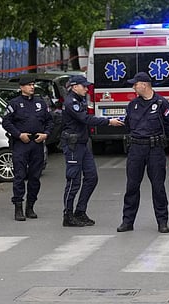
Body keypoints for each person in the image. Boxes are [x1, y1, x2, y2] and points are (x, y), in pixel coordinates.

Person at [117, 72, 169, 233]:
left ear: (144, 85)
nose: (133, 87)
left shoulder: (161, 103)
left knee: (158, 187)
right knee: (132, 186)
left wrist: (160, 138)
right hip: (136, 149)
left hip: (154, 149)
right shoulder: (133, 105)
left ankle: (162, 222)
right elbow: (128, 124)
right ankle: (127, 221)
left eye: (135, 84)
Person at [61, 75, 124, 227]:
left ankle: (80, 211)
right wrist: (108, 121)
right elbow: (86, 119)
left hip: (83, 143)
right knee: (73, 181)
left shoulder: (80, 99)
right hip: (73, 144)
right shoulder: (71, 102)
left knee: (91, 177)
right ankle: (68, 215)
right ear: (75, 86)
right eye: (84, 86)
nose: (86, 89)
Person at [2, 77, 54, 221]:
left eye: (33, 84)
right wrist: (18, 134)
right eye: (29, 85)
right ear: (21, 87)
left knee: (35, 177)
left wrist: (46, 134)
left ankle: (30, 206)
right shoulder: (15, 103)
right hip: (21, 143)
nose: (32, 87)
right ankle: (18, 206)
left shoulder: (40, 103)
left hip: (37, 143)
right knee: (19, 176)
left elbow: (50, 120)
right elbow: (6, 122)